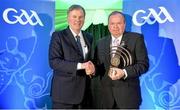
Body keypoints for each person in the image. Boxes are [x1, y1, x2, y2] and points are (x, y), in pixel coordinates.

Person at [93, 11, 149, 109]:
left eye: (118, 23)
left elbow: (143, 65)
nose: (115, 26)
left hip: (128, 98)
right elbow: (99, 67)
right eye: (112, 23)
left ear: (124, 24)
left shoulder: (136, 39)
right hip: (106, 99)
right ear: (108, 25)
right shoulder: (101, 42)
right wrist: (93, 69)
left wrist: (124, 72)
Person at [48, 4, 95, 109]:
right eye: (74, 16)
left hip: (84, 96)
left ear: (84, 18)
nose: (77, 20)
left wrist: (92, 69)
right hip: (64, 96)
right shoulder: (58, 36)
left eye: (80, 17)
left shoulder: (89, 37)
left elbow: (90, 61)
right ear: (68, 18)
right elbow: (54, 62)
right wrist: (81, 66)